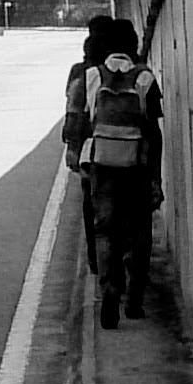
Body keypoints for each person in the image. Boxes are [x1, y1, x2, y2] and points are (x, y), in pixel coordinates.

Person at [66, 17, 164, 329]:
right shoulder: (145, 78)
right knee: (139, 232)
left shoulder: (91, 76)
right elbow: (154, 132)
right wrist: (155, 177)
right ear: (133, 46)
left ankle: (109, 286)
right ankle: (134, 301)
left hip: (102, 165)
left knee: (105, 230)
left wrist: (77, 155)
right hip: (137, 166)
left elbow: (78, 123)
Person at [64, 16, 120, 270]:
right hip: (128, 149)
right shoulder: (129, 70)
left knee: (92, 205)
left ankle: (96, 260)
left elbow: (73, 114)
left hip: (93, 151)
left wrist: (72, 148)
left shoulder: (80, 73)